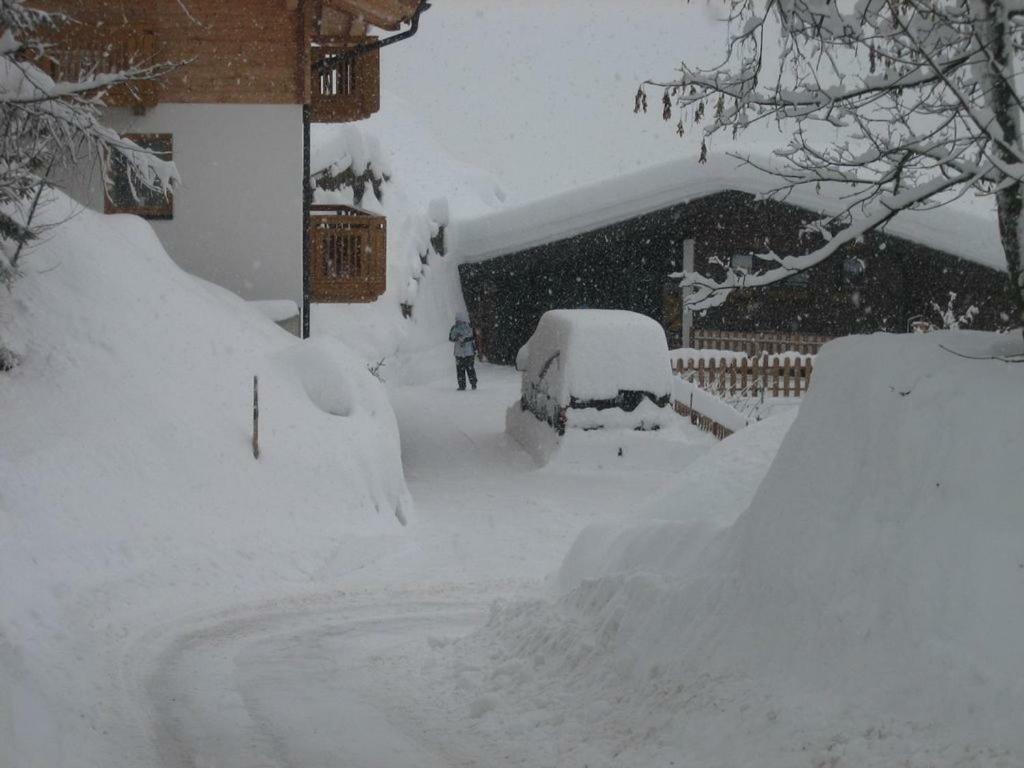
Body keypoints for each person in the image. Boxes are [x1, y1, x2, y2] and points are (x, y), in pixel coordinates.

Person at [448, 311, 478, 390]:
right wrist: (461, 338)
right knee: (467, 369)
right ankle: (469, 384)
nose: (458, 322)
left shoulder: (460, 327)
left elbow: (451, 338)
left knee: (463, 369)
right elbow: (451, 338)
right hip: (465, 353)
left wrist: (461, 339)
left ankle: (466, 384)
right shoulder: (467, 327)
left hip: (463, 353)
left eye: (458, 320)